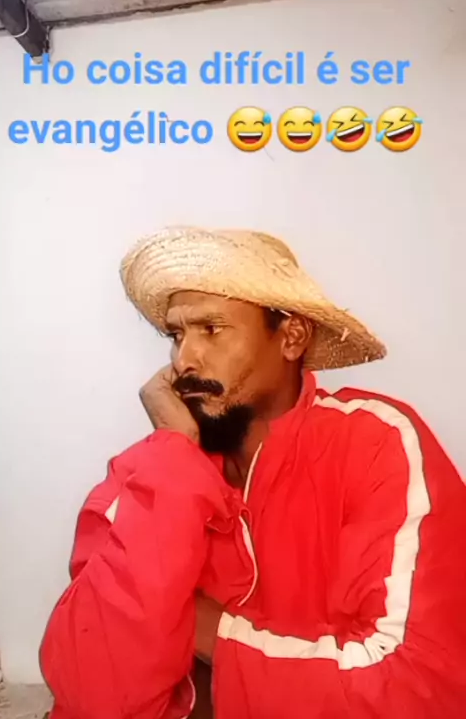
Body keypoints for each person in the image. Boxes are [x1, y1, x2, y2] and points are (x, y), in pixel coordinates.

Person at [40, 226, 466, 719]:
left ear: (291, 337)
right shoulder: (149, 471)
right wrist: (174, 459)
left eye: (211, 329)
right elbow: (90, 692)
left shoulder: (377, 441)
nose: (184, 360)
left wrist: (190, 621)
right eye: (176, 335)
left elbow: (419, 684)